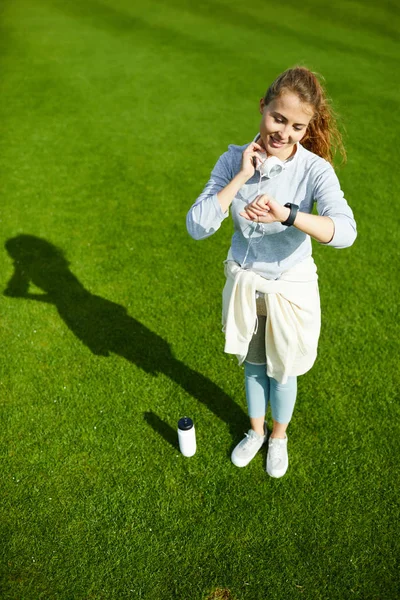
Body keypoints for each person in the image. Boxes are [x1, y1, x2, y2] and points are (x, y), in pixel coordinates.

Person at [186, 66, 357, 478]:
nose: (284, 133)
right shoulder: (232, 160)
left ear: (307, 126)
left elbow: (344, 231)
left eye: (297, 126)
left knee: (284, 369)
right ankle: (256, 432)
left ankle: (278, 438)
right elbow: (197, 226)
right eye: (278, 119)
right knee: (253, 364)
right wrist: (241, 175)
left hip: (290, 288)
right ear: (262, 107)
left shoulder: (315, 170)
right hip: (245, 285)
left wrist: (289, 215)